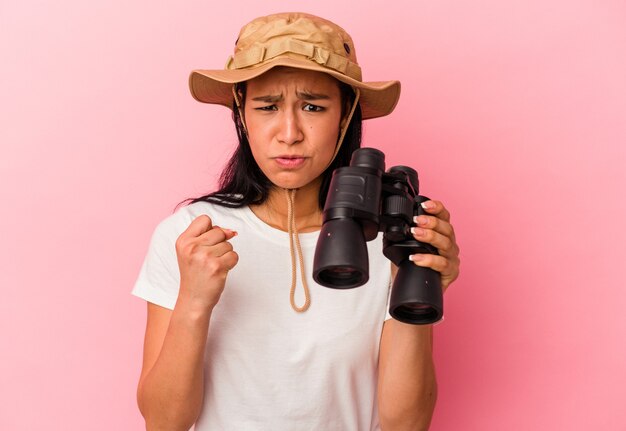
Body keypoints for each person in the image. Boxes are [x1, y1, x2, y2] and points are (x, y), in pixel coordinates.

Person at [132, 12, 460, 431]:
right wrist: (194, 303)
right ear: (241, 115)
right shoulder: (191, 235)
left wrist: (411, 278)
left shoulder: (384, 238)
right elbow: (163, 423)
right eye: (267, 106)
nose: (289, 133)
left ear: (345, 117)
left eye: (313, 106)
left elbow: (406, 425)